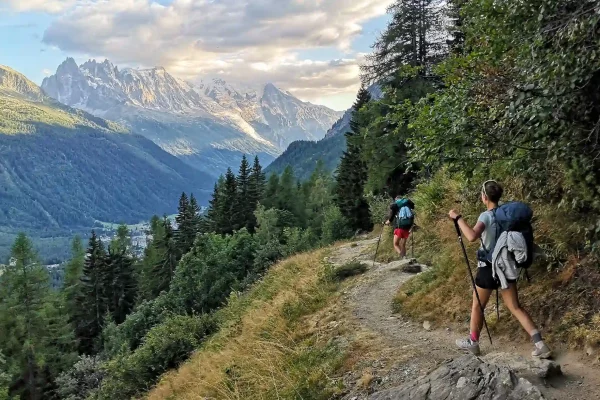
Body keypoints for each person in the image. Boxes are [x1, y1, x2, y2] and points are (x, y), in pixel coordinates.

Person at [448, 180, 552, 359]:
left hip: (488, 268)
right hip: (505, 266)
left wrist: (458, 219)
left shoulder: (486, 216)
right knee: (515, 307)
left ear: (484, 197)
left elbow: (472, 236)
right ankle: (540, 344)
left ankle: (473, 342)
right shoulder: (507, 215)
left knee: (478, 306)